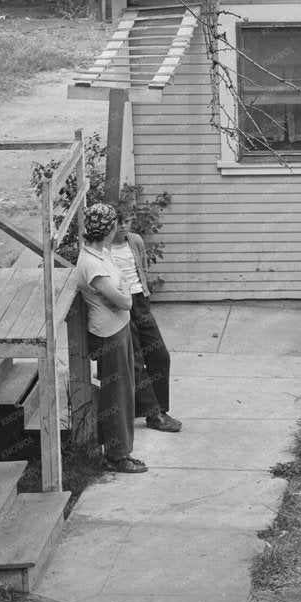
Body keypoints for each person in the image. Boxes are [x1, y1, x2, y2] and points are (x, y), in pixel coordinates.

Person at [75, 203, 146, 473]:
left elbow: (122, 289)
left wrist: (124, 287)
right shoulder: (94, 265)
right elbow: (125, 301)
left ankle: (118, 452)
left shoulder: (98, 253)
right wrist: (125, 288)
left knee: (125, 391)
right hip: (109, 335)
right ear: (110, 228)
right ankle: (117, 457)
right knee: (117, 395)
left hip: (118, 329)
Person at [109, 211, 182, 432]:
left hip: (140, 300)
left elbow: (142, 267)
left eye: (127, 222)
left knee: (160, 355)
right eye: (118, 222)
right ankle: (153, 415)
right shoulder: (103, 248)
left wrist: (144, 294)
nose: (123, 226)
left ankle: (161, 408)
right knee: (136, 360)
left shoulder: (136, 241)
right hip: (120, 304)